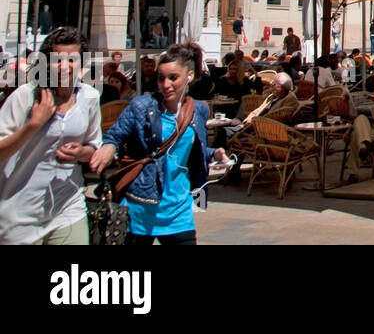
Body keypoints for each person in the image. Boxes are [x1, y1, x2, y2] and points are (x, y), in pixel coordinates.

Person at [90, 42, 227, 245]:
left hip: (179, 212)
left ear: (189, 76)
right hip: (141, 207)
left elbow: (188, 150)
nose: (165, 85)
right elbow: (115, 136)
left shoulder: (198, 110)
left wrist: (213, 153)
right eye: (161, 78)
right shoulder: (141, 106)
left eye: (173, 78)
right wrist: (108, 148)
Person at [0, 28, 102, 244]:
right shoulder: (25, 97)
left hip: (67, 207)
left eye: (72, 60)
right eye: (58, 60)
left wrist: (83, 153)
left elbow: (93, 144)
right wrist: (33, 125)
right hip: (17, 211)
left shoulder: (90, 97)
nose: (65, 67)